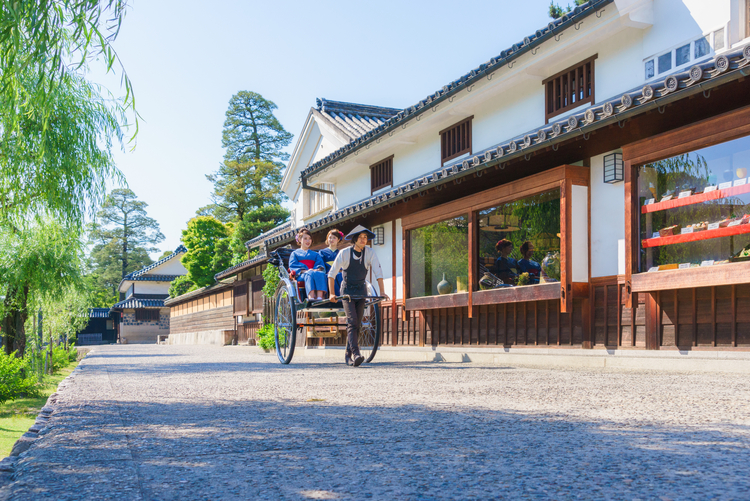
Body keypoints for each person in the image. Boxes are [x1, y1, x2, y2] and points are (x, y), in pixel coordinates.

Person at [328, 225, 389, 367]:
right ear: (355, 239)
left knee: (358, 323)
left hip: (361, 290)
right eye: (361, 237)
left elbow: (378, 272)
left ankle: (348, 355)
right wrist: (332, 293)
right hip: (347, 291)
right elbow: (331, 274)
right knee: (352, 320)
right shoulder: (344, 253)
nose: (363, 239)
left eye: (365, 237)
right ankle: (356, 353)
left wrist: (382, 291)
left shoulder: (370, 252)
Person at [289, 228, 328, 300]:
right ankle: (311, 297)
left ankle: (320, 297)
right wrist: (305, 271)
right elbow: (293, 265)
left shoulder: (315, 254)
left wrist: (316, 269)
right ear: (300, 239)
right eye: (305, 238)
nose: (308, 241)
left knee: (321, 274)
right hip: (302, 275)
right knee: (309, 273)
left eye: (309, 239)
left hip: (314, 272)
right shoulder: (294, 253)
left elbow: (320, 265)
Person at [319, 229, 344, 297]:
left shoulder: (341, 253)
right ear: (327, 239)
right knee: (332, 276)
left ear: (338, 239)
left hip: (339, 272)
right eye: (330, 237)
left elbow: (343, 266)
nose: (332, 239)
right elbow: (321, 265)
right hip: (327, 273)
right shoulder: (322, 252)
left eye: (334, 238)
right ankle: (334, 296)